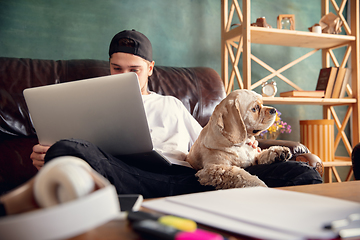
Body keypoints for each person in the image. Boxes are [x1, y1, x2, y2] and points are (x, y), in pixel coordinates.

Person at [30, 30, 322, 198]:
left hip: (189, 179)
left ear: (151, 69)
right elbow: (87, 155)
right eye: (116, 68)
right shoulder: (92, 104)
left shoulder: (171, 104)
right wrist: (54, 154)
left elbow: (209, 147)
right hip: (130, 177)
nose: (124, 76)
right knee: (68, 147)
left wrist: (243, 145)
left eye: (134, 70)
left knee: (299, 171)